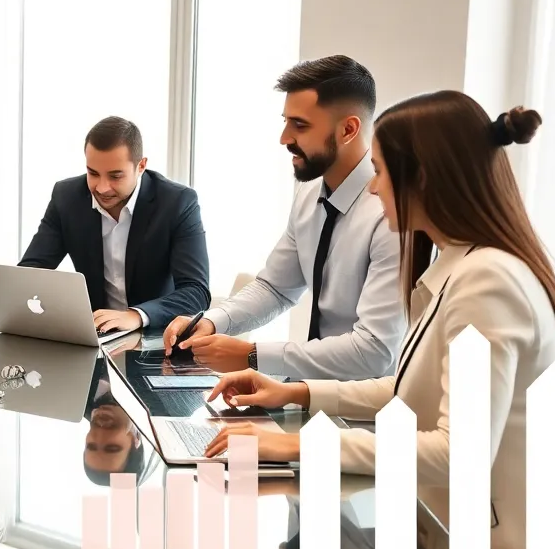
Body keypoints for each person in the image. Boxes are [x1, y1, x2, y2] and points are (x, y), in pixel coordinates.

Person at [204, 94, 555, 549]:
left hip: (483, 545)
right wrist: (296, 393)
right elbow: (407, 390)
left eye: (379, 171)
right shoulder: (469, 266)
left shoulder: (487, 284)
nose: (373, 190)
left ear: (420, 178)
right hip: (442, 517)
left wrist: (292, 445)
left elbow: (456, 454)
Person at [165, 56, 404, 380]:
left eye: (300, 125)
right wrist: (211, 320)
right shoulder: (308, 194)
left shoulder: (389, 217)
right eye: (286, 121)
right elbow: (276, 288)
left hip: (366, 415)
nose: (284, 138)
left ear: (348, 129)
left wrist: (252, 356)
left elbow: (374, 352)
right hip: (305, 394)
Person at [19, 116, 210, 334]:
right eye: (93, 173)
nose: (102, 188)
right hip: (93, 338)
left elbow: (197, 292)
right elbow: (30, 273)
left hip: (156, 340)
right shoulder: (66, 197)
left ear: (141, 166)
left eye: (115, 176)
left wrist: (136, 315)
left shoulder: (178, 203)